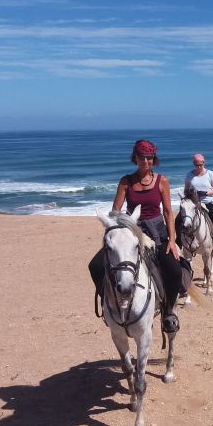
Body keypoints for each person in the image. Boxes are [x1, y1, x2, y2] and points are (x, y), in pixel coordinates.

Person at [88, 139, 182, 333]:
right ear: (135, 158)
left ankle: (169, 311)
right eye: (141, 157)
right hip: (131, 231)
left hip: (156, 233)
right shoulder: (126, 182)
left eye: (149, 158)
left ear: (153, 159)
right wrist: (115, 234)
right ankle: (109, 305)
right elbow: (115, 212)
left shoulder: (162, 181)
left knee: (174, 269)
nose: (145, 161)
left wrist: (172, 240)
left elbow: (168, 213)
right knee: (96, 265)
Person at [182, 153, 213, 254]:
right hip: (193, 203)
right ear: (193, 164)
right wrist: (191, 194)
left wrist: (206, 193)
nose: (199, 167)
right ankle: (179, 241)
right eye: (197, 165)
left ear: (204, 163)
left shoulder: (210, 174)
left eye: (201, 164)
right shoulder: (189, 175)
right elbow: (185, 190)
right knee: (179, 219)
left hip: (207, 202)